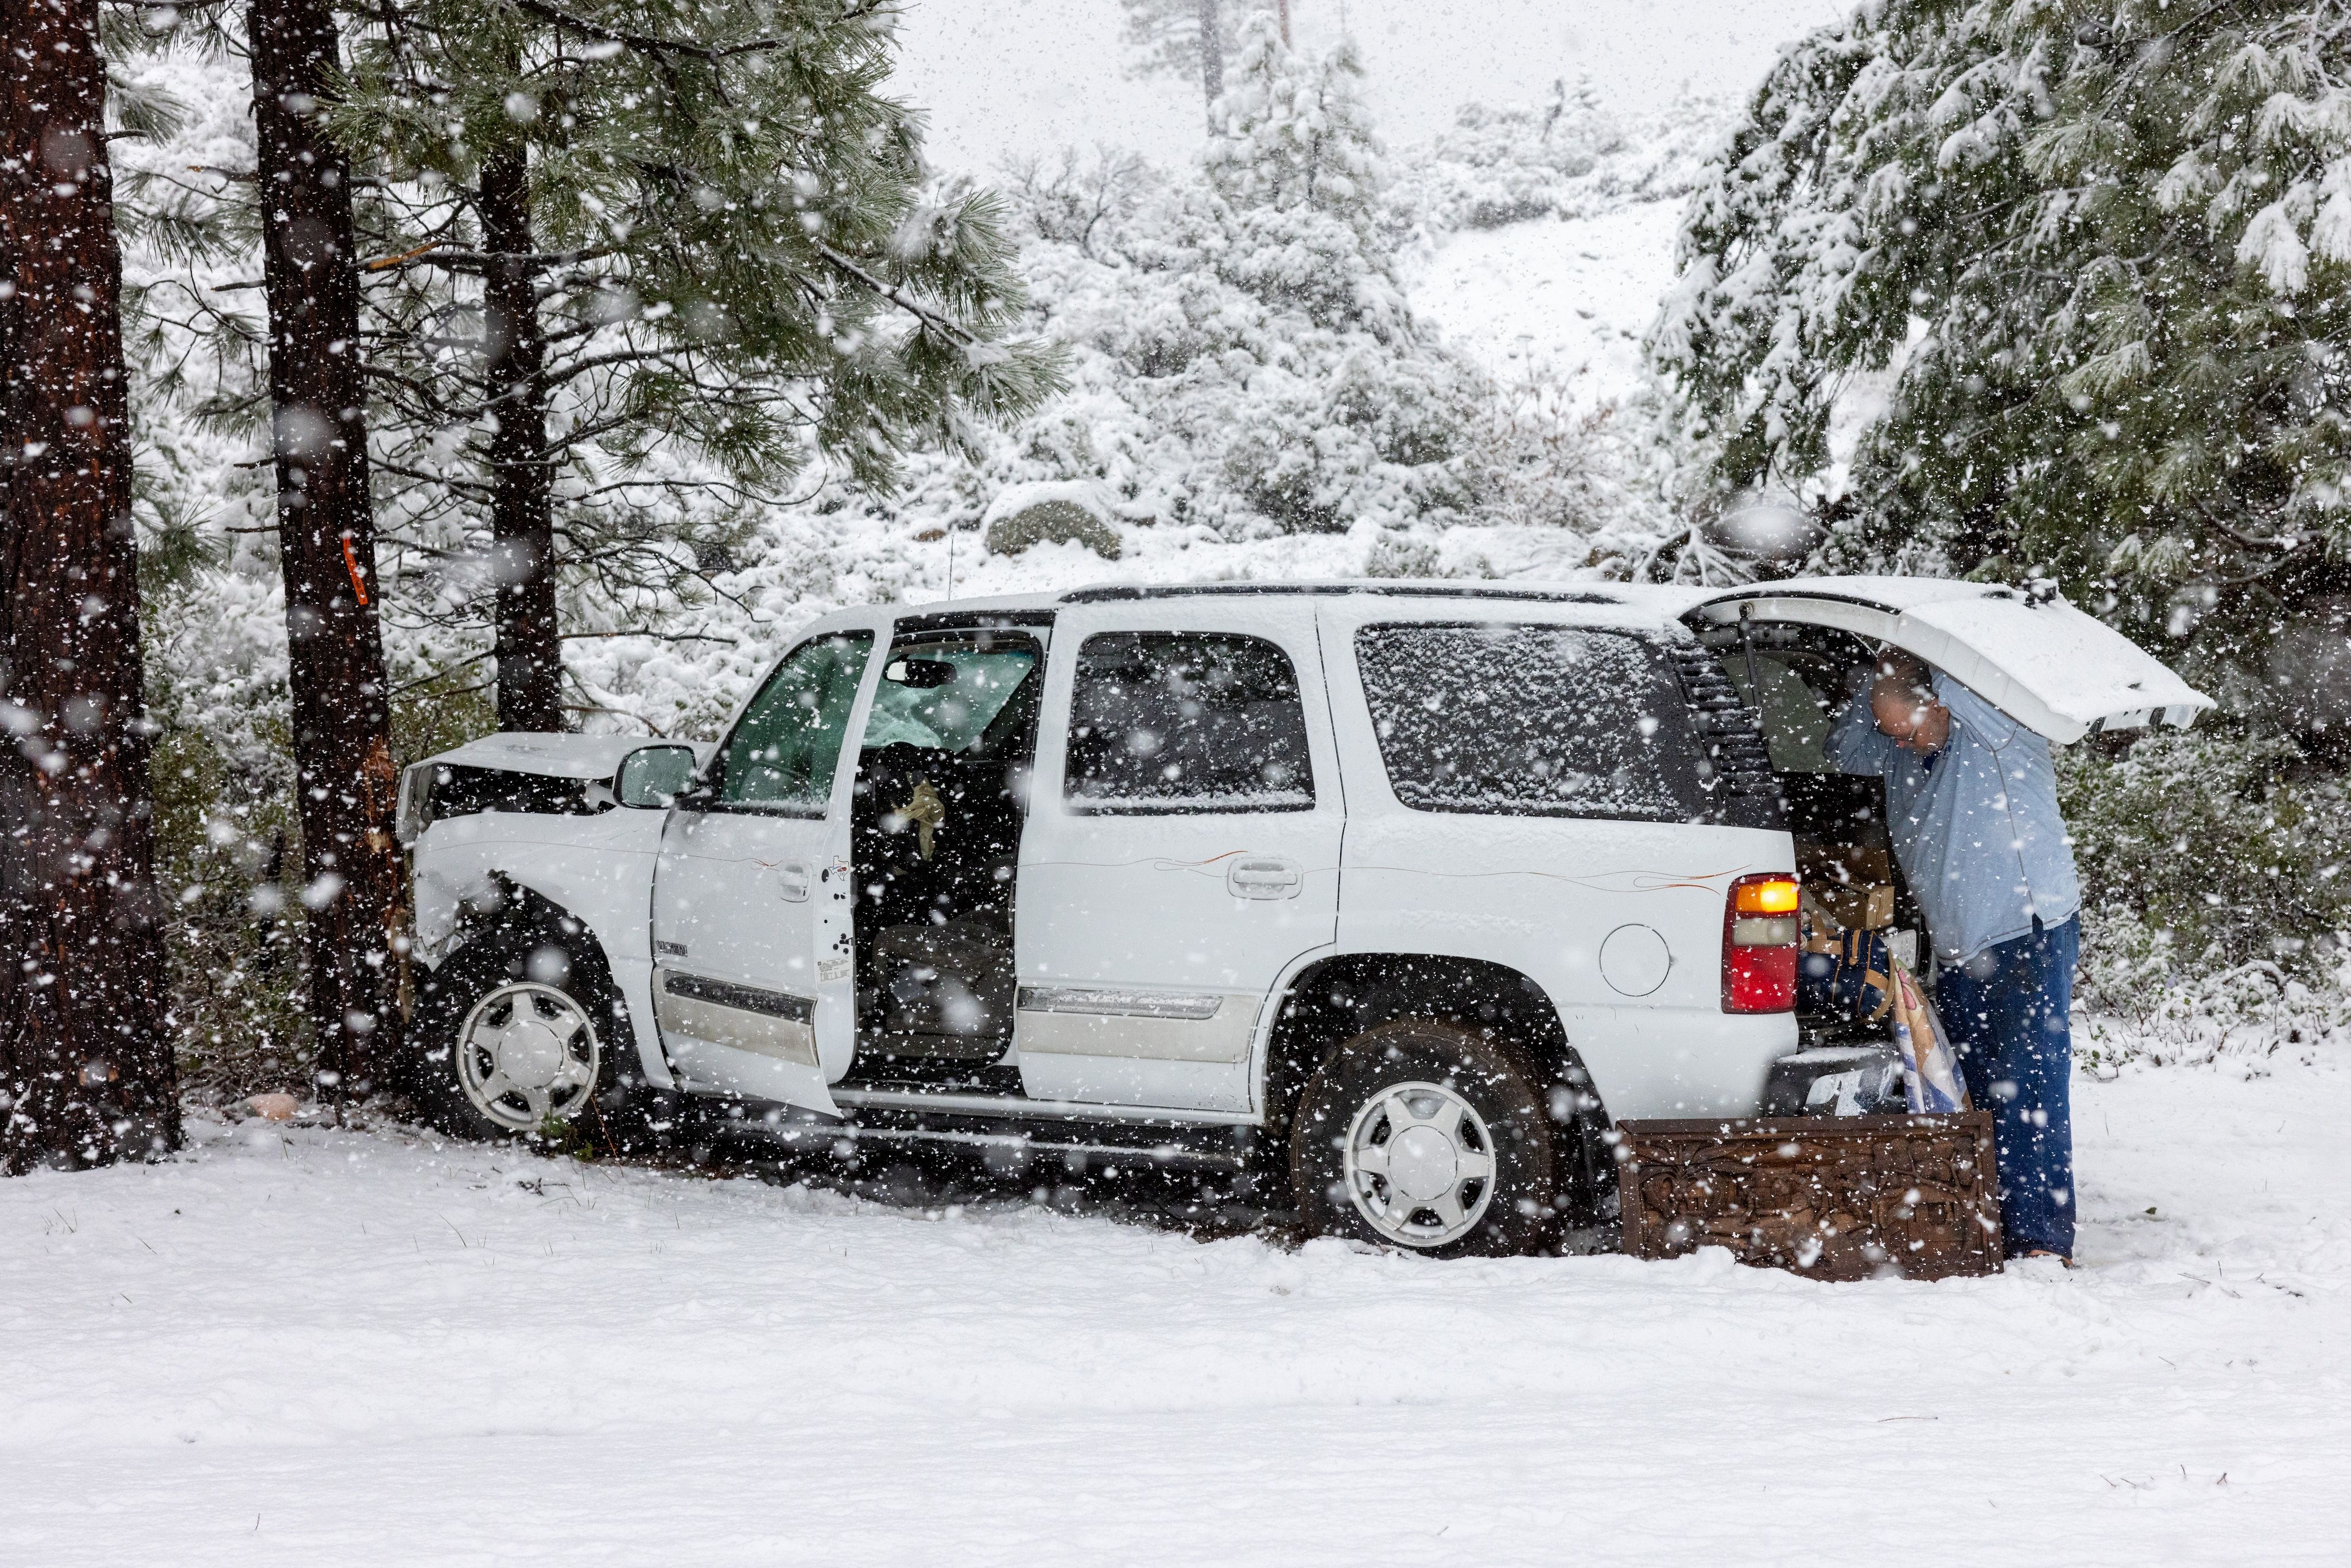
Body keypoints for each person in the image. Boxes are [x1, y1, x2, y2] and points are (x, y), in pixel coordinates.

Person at [1826, 650, 2083, 1263]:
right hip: (1961, 947)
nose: (1906, 745)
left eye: (1912, 728)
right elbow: (1843, 752)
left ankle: (2040, 1240)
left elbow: (1974, 668)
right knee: (1970, 1089)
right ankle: (1991, 1224)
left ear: (1943, 702)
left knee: (2027, 1083)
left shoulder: (1997, 729)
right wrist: (1876, 681)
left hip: (2022, 927)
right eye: (1893, 733)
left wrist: (1908, 651)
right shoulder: (1899, 750)